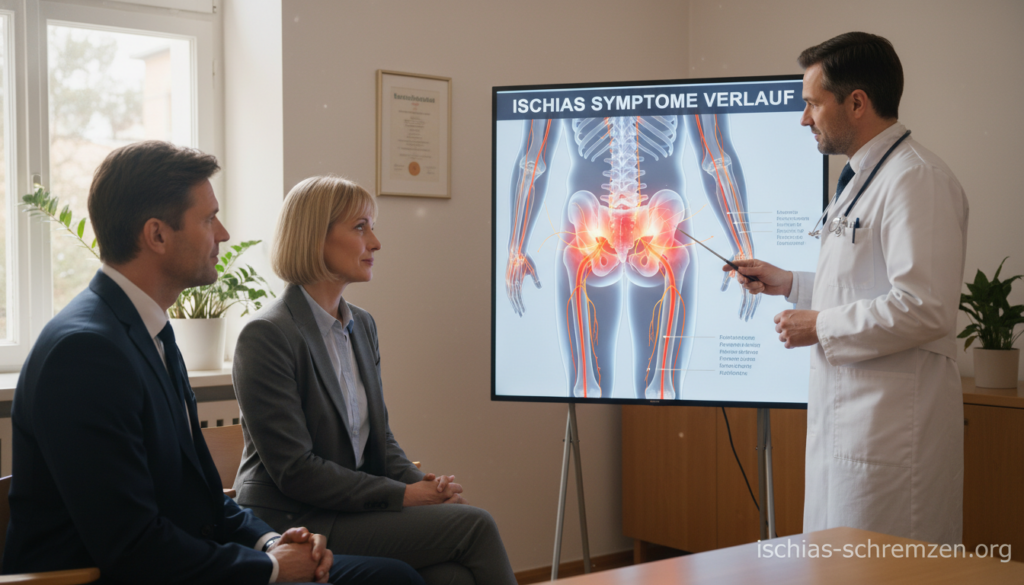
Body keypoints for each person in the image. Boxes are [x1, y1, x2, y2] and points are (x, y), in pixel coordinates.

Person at [3, 141, 424, 585]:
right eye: (208, 219)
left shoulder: (149, 331)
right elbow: (131, 548)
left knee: (398, 575)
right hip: (107, 578)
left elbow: (203, 494)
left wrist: (270, 543)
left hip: (187, 560)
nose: (222, 233)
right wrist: (272, 568)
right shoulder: (86, 353)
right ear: (157, 235)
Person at [727, 33, 968, 544]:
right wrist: (791, 284)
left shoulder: (915, 179)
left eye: (813, 103)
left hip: (891, 440)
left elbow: (926, 308)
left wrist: (820, 325)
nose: (804, 118)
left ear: (856, 102)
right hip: (855, 429)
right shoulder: (864, 178)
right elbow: (866, 283)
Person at [232, 176, 517, 585]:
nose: (376, 242)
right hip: (295, 519)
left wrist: (424, 484)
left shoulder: (361, 325)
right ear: (317, 237)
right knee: (476, 525)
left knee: (451, 576)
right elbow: (295, 470)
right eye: (361, 227)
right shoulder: (267, 335)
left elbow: (379, 442)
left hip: (348, 511)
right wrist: (404, 495)